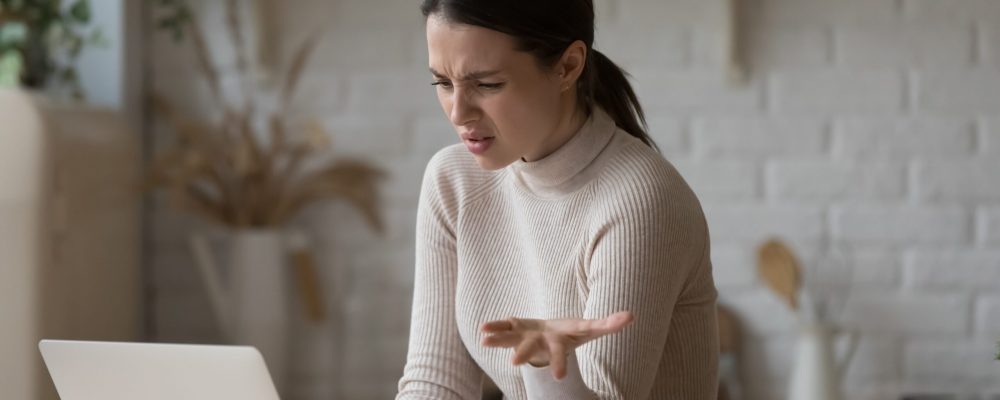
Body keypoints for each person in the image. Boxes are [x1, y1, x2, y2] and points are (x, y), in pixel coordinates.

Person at [396, 1, 719, 398]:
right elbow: (435, 381)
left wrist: (546, 368)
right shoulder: (453, 181)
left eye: (487, 84)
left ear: (567, 66)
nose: (458, 112)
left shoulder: (639, 200)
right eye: (442, 83)